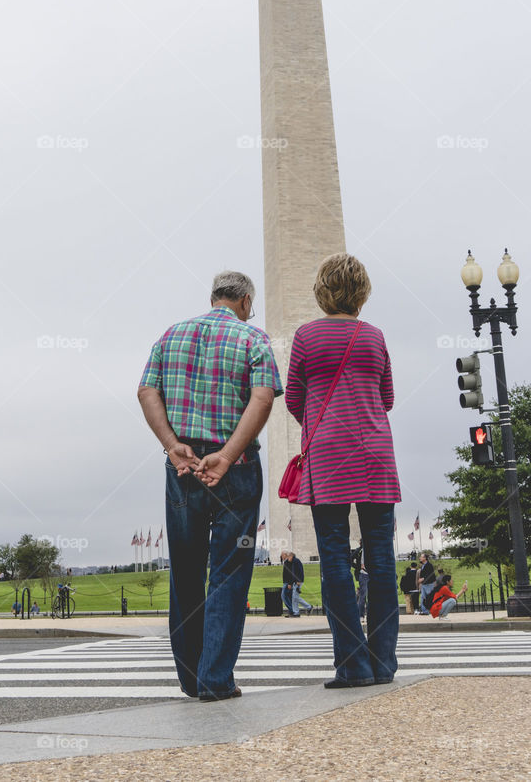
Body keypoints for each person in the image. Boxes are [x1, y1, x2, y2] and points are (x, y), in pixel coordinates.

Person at [138, 270, 282, 702]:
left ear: (214, 297)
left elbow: (147, 391)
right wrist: (231, 453)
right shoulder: (253, 338)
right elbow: (263, 396)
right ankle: (215, 679)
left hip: (182, 466)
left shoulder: (171, 334)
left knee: (184, 572)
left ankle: (190, 678)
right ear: (245, 301)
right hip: (233, 467)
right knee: (229, 573)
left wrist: (172, 445)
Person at [285, 253, 400, 689]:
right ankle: (384, 662)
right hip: (376, 453)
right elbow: (386, 397)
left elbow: (294, 397)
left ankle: (352, 664)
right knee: (381, 558)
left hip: (328, 454)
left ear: (321, 291)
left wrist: (323, 419)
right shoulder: (374, 336)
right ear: (362, 292)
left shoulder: (307, 336)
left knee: (333, 556)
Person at [282, 551, 312, 617]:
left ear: (291, 556)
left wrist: (298, 581)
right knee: (295, 597)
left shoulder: (296, 561)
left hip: (298, 582)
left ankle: (305, 608)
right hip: (296, 581)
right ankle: (300, 610)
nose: (288, 558)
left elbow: (300, 571)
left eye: (288, 557)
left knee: (295, 597)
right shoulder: (294, 562)